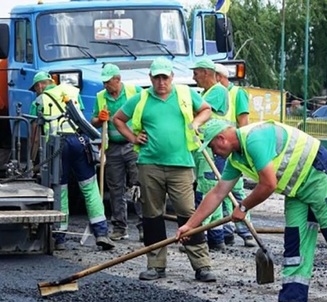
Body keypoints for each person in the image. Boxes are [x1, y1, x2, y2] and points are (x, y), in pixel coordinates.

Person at [176, 119, 327, 302]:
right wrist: (190, 225)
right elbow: (218, 192)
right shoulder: (236, 159)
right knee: (295, 244)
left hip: (319, 174)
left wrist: (244, 206)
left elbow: (268, 184)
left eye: (212, 146)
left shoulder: (254, 140)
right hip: (297, 189)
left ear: (221, 139)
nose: (213, 152)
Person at [112, 57, 216, 282]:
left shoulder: (186, 95)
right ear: (151, 78)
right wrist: (132, 137)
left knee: (188, 214)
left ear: (172, 77)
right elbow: (118, 119)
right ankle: (156, 264)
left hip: (181, 165)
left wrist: (197, 123)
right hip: (150, 164)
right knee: (152, 215)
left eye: (165, 77)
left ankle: (201, 265)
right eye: (157, 77)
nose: (161, 82)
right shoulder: (141, 99)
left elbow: (206, 110)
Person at [30, 71, 115, 251]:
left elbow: (35, 135)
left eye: (36, 88)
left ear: (39, 86)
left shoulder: (39, 101)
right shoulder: (73, 91)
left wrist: (32, 161)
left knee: (61, 190)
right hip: (80, 142)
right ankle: (101, 232)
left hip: (57, 147)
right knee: (90, 187)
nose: (36, 91)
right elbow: (81, 118)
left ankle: (60, 237)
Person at [91, 64, 143, 242]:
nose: (106, 85)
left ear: (118, 79)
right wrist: (100, 119)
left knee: (138, 185)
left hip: (132, 144)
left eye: (109, 82)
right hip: (112, 146)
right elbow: (94, 120)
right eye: (104, 82)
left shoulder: (133, 91)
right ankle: (120, 227)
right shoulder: (100, 97)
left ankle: (144, 226)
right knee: (115, 188)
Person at [190, 58, 230, 251]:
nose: (194, 77)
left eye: (196, 73)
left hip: (213, 148)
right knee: (209, 189)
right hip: (207, 147)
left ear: (206, 72)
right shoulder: (208, 92)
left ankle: (202, 237)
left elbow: (197, 110)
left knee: (206, 191)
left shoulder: (218, 91)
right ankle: (216, 237)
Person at [214, 63, 255, 248]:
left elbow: (243, 123)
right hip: (219, 147)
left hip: (233, 148)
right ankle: (227, 231)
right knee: (220, 189)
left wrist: (242, 150)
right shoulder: (213, 93)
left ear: (219, 77)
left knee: (236, 190)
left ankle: (246, 231)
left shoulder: (237, 94)